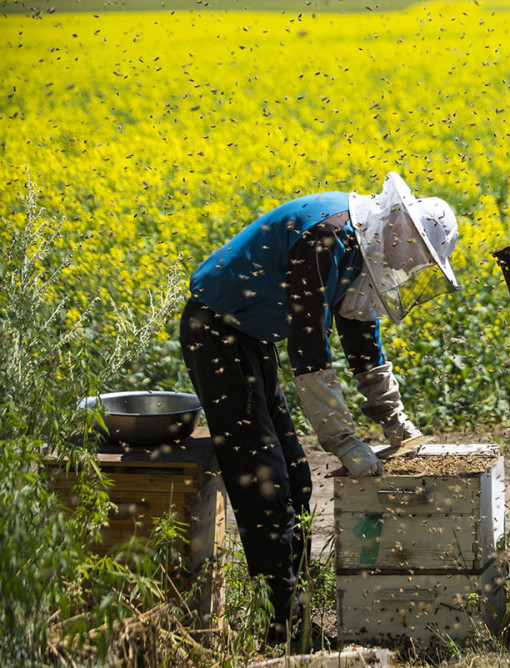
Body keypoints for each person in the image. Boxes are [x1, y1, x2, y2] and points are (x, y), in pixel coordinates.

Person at [179, 172, 459, 642]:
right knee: (265, 479)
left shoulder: (361, 241)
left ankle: (300, 610)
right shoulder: (328, 236)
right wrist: (343, 440)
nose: (409, 264)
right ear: (399, 228)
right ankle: (283, 624)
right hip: (217, 333)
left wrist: (393, 417)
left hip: (250, 338)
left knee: (296, 477)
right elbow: (309, 349)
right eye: (415, 253)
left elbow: (359, 333)